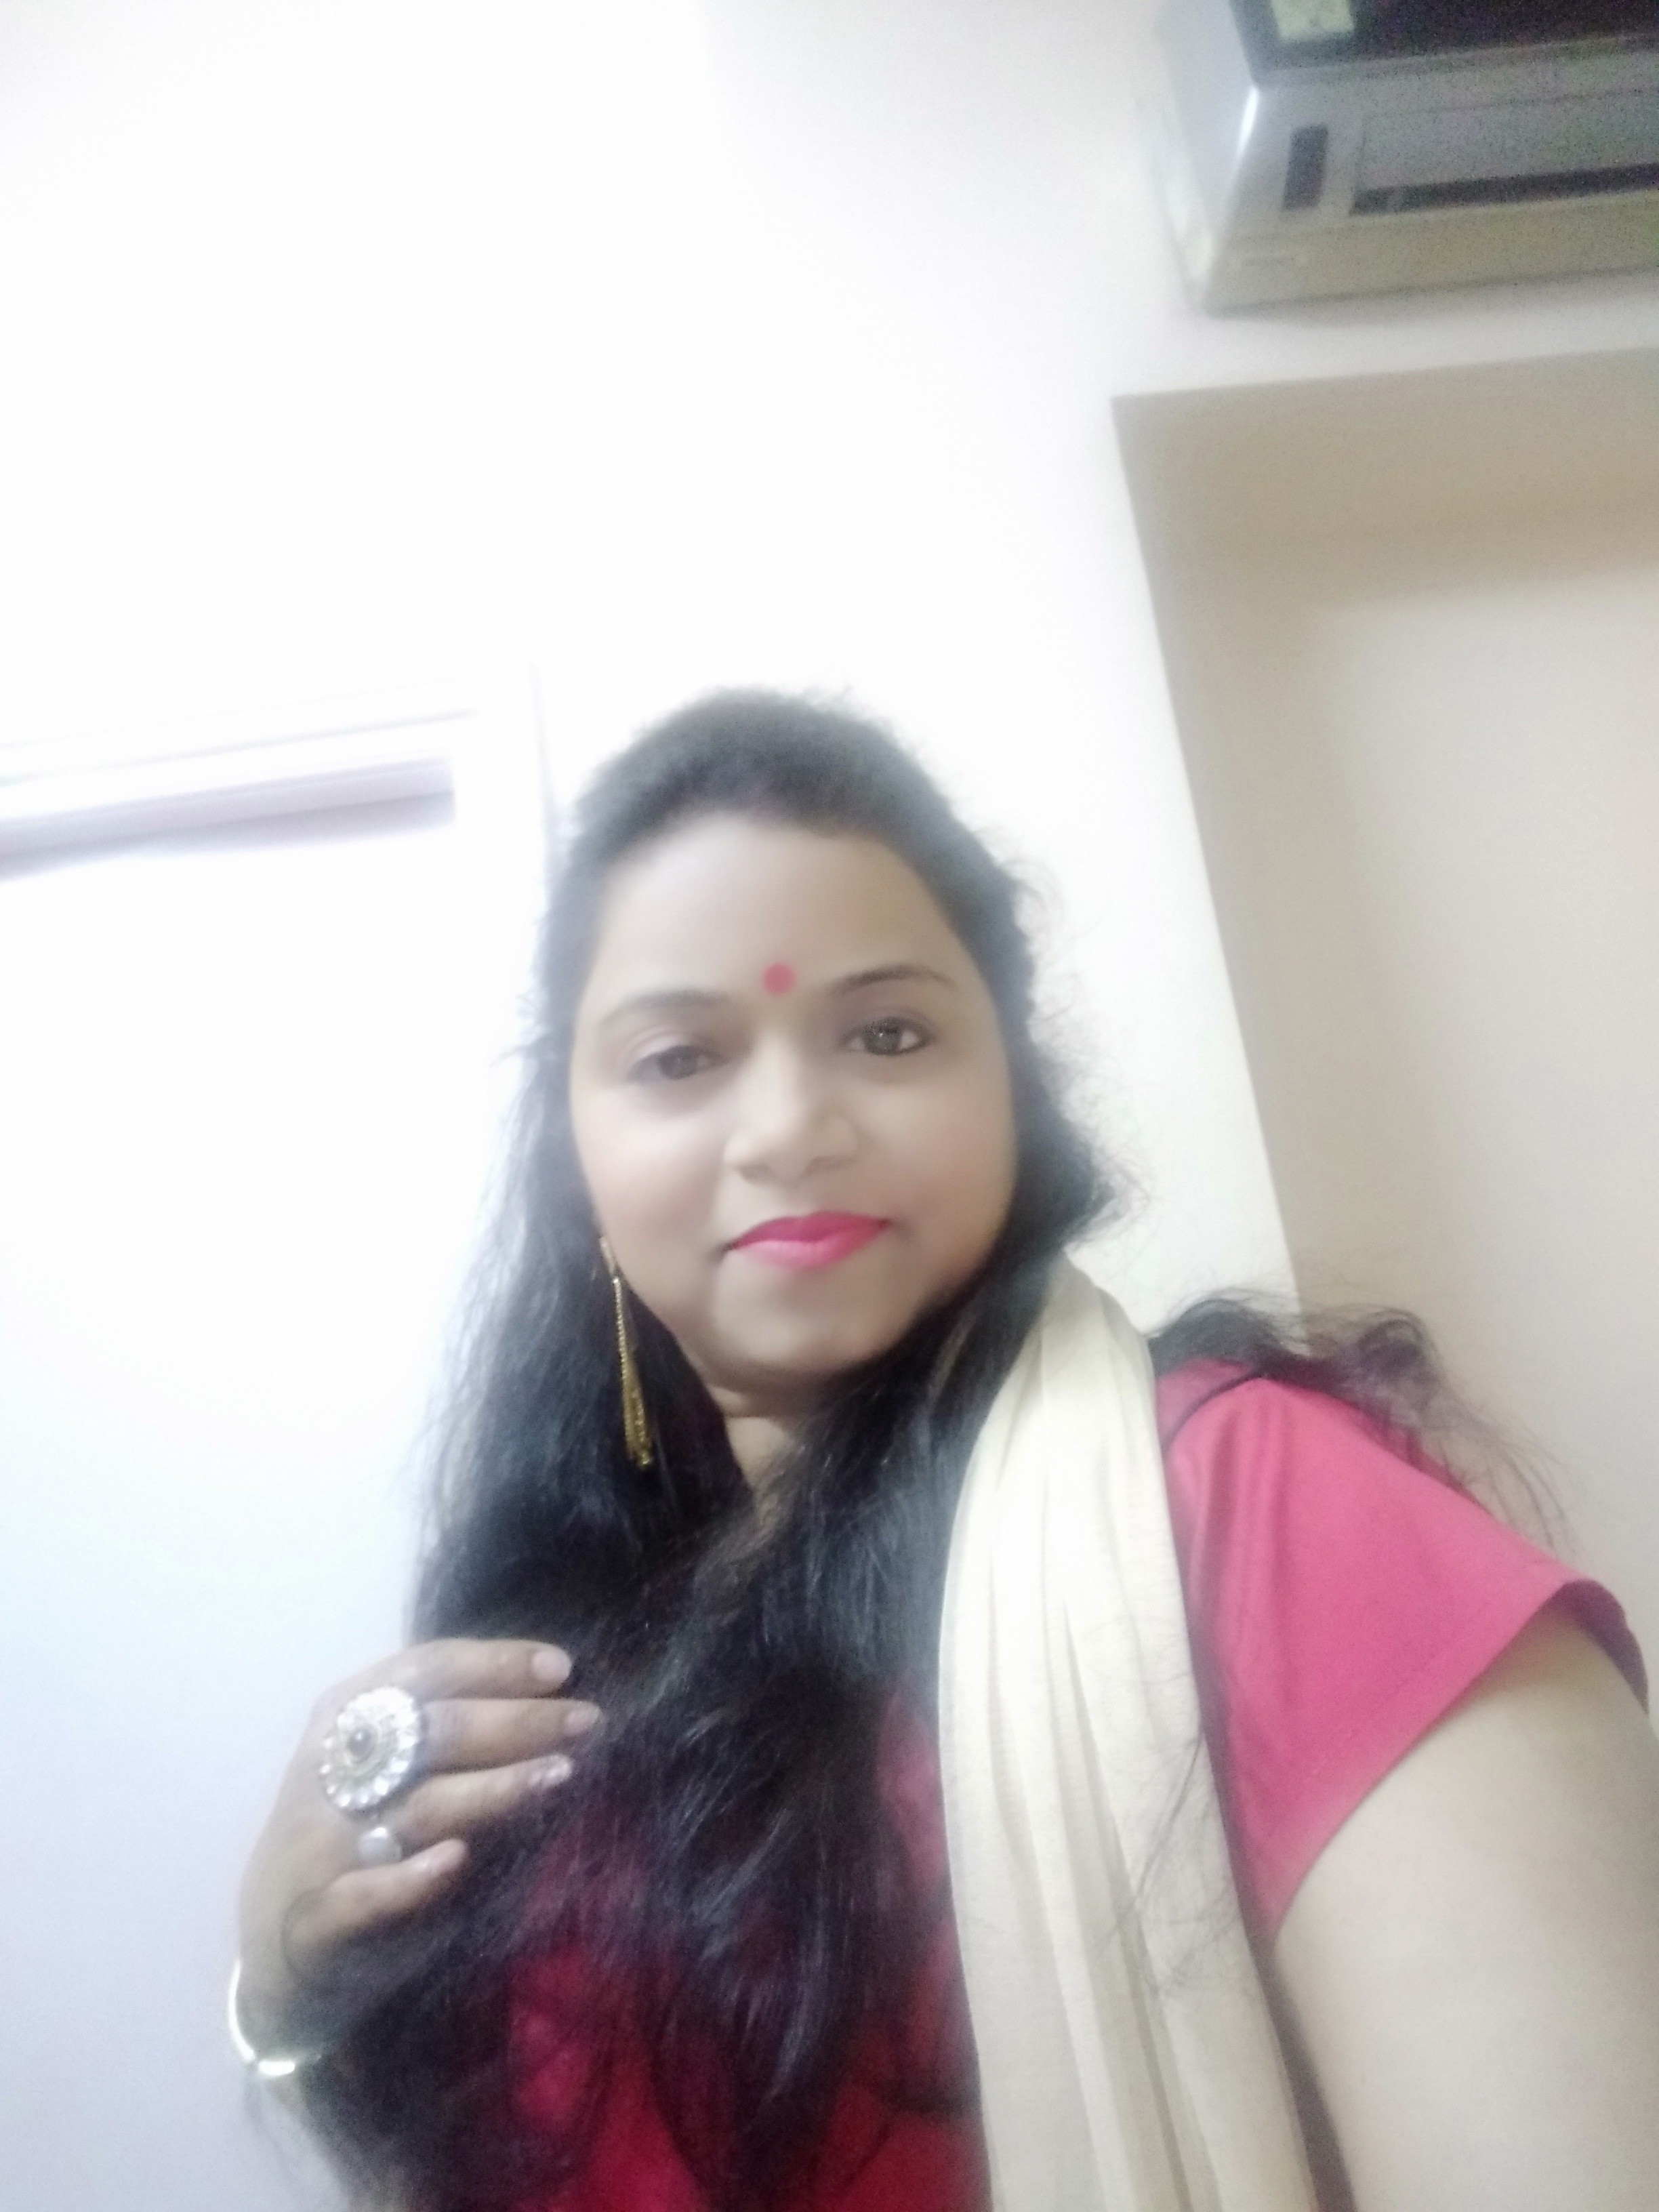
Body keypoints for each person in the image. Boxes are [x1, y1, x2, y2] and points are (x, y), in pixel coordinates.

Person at [237, 692, 1659, 2212]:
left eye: (887, 1033)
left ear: (1013, 1088)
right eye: (679, 1058)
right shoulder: (563, 1616)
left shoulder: (1254, 1512)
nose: (789, 1128)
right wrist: (279, 1979)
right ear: (572, 1155)